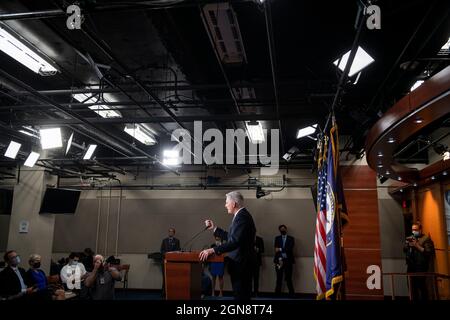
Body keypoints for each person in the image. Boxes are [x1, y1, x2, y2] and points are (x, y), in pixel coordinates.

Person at [199, 191, 256, 300]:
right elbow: (231, 236)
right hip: (241, 265)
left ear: (234, 204)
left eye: (226, 202)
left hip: (242, 266)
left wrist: (212, 250)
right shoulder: (240, 215)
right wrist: (214, 228)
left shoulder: (242, 217)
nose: (225, 205)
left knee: (241, 298)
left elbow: (234, 242)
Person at [403, 222, 435, 300]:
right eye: (412, 229)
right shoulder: (410, 237)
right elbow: (404, 250)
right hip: (411, 266)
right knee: (411, 287)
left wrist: (416, 245)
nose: (414, 231)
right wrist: (407, 245)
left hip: (421, 266)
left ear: (420, 230)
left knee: (421, 286)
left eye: (416, 229)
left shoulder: (426, 239)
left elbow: (428, 252)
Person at [274, 224, 295, 296]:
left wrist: (280, 249)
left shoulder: (291, 238)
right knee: (279, 278)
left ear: (286, 229)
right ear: (279, 230)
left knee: (288, 278)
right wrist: (279, 250)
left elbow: (290, 248)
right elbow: (275, 249)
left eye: (283, 229)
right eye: (281, 229)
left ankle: (292, 294)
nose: (282, 230)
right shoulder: (277, 238)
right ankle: (277, 294)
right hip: (279, 260)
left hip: (288, 261)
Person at [160, 227, 181, 295]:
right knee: (165, 277)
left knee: (173, 278)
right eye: (169, 231)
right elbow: (162, 250)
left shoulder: (177, 241)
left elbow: (178, 250)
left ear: (174, 233)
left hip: (173, 262)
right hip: (165, 261)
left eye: (172, 232)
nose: (170, 233)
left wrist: (172, 255)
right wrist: (166, 255)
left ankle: (172, 292)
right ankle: (164, 292)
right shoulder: (164, 240)